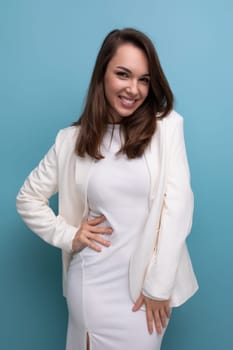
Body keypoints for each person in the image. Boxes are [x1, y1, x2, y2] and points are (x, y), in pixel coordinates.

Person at [16, 28, 198, 350]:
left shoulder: (167, 127)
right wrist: (69, 234)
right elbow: (28, 198)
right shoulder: (71, 140)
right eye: (123, 74)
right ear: (103, 74)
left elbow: (178, 209)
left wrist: (158, 287)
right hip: (92, 288)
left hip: (145, 295)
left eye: (144, 79)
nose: (134, 89)